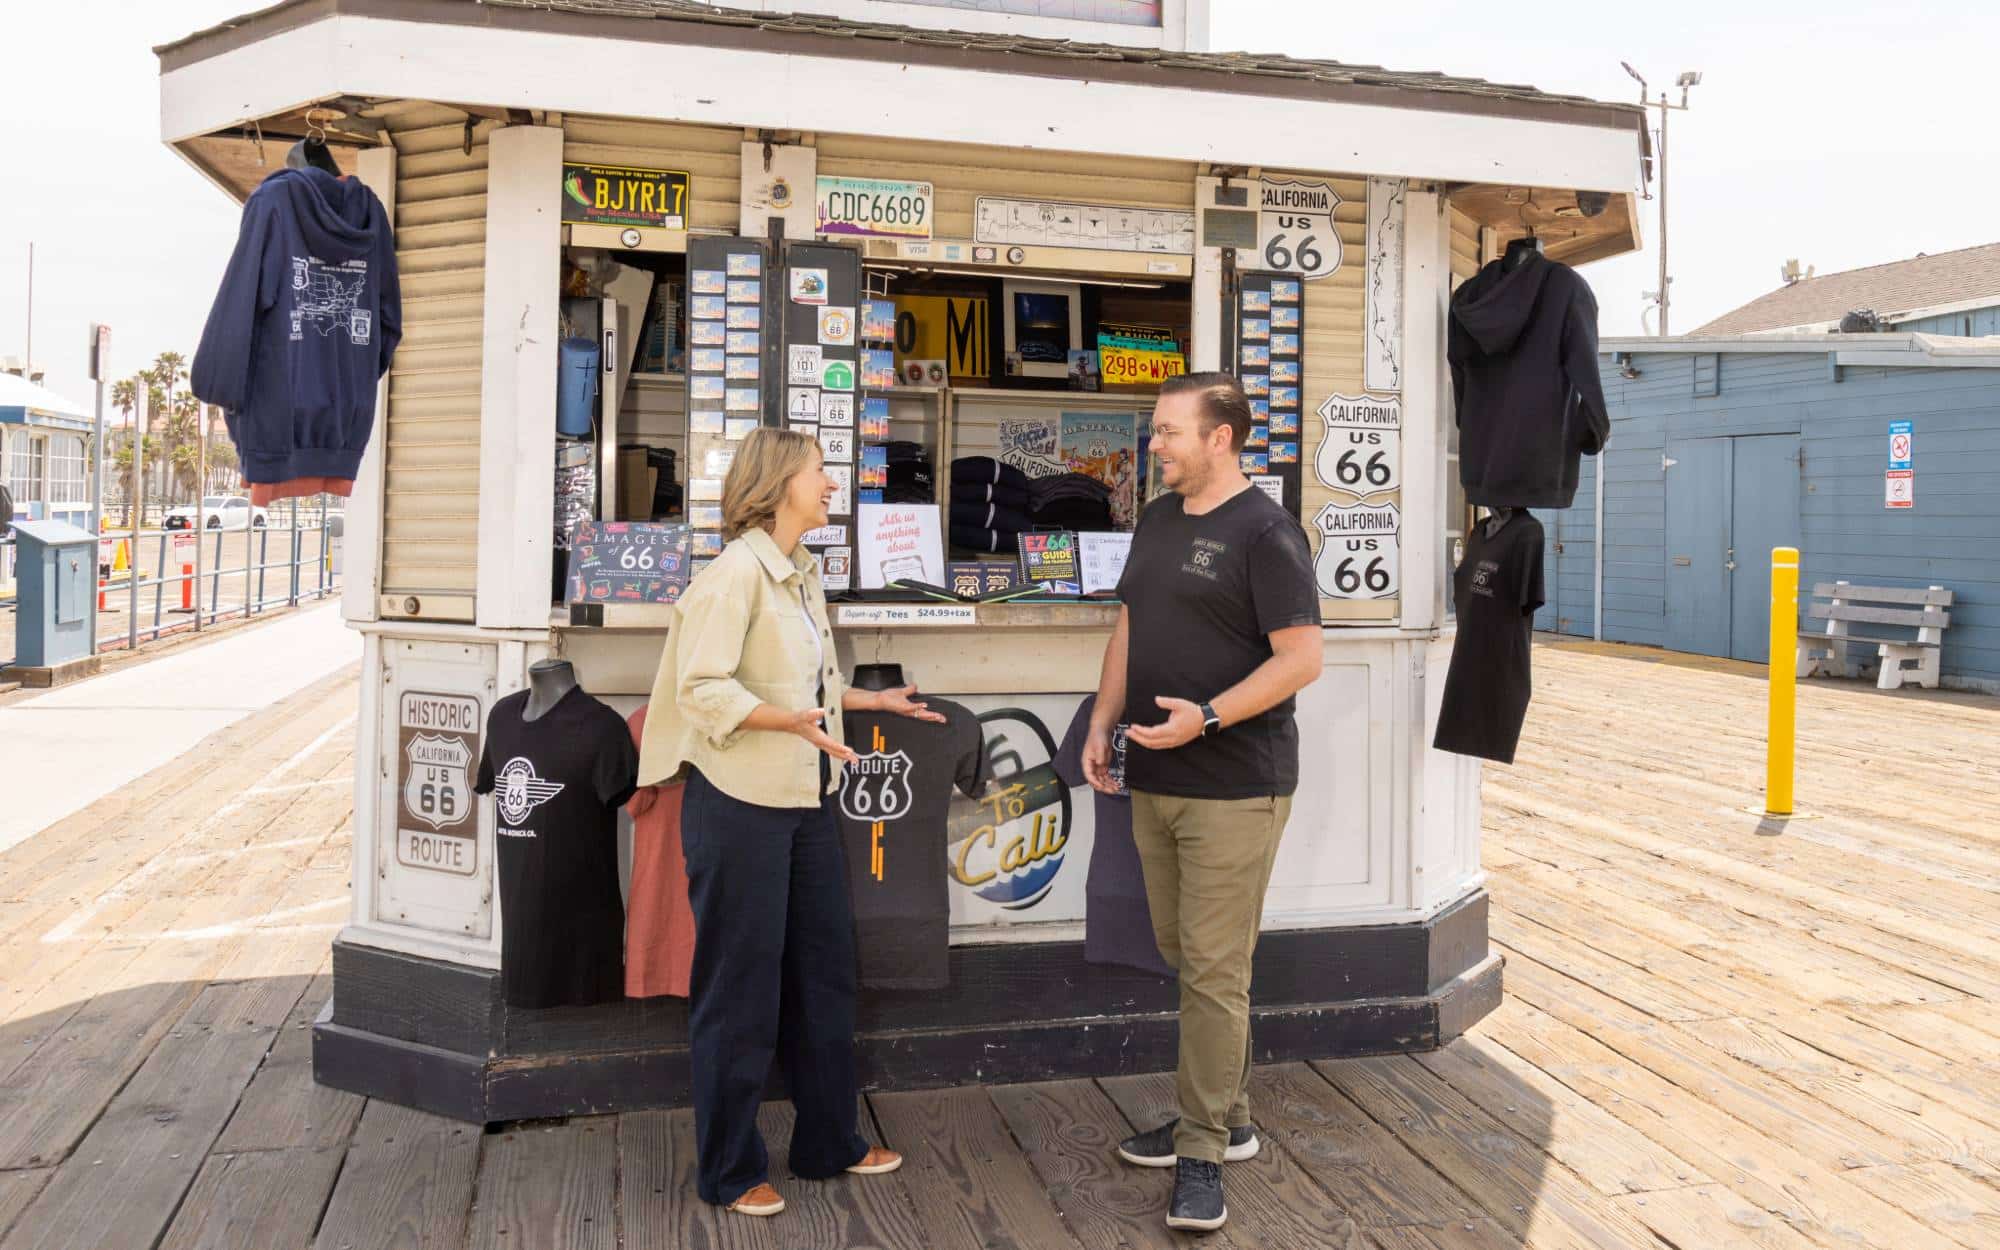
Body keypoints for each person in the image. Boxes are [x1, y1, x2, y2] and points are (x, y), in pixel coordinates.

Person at [639, 427, 942, 1218]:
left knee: (824, 975)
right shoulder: (732, 577)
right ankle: (729, 1170)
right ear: (778, 486)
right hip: (738, 802)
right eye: (818, 471)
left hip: (803, 799)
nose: (831, 483)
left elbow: (806, 684)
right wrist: (785, 721)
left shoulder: (799, 571)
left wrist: (873, 701)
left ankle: (828, 1141)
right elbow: (701, 690)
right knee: (738, 989)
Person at [1083, 371, 1323, 1233]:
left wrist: (1209, 716)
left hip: (1236, 785)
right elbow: (1131, 625)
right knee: (1189, 956)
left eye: (1168, 432)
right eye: (1156, 431)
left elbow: (1302, 659)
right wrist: (1103, 718)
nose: (1155, 445)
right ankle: (1233, 1115)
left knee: (1216, 972)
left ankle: (1203, 1150)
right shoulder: (1157, 519)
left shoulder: (1266, 532)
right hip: (1157, 779)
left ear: (1220, 438)